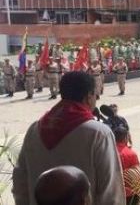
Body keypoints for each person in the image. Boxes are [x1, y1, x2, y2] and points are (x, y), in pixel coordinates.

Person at [12, 71, 125, 205]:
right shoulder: (99, 133)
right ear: (89, 96)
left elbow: (20, 185)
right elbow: (111, 192)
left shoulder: (34, 129)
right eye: (96, 95)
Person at [114, 127, 140, 204]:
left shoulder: (108, 151)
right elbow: (137, 176)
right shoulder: (131, 154)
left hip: (113, 192)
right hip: (129, 194)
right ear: (126, 137)